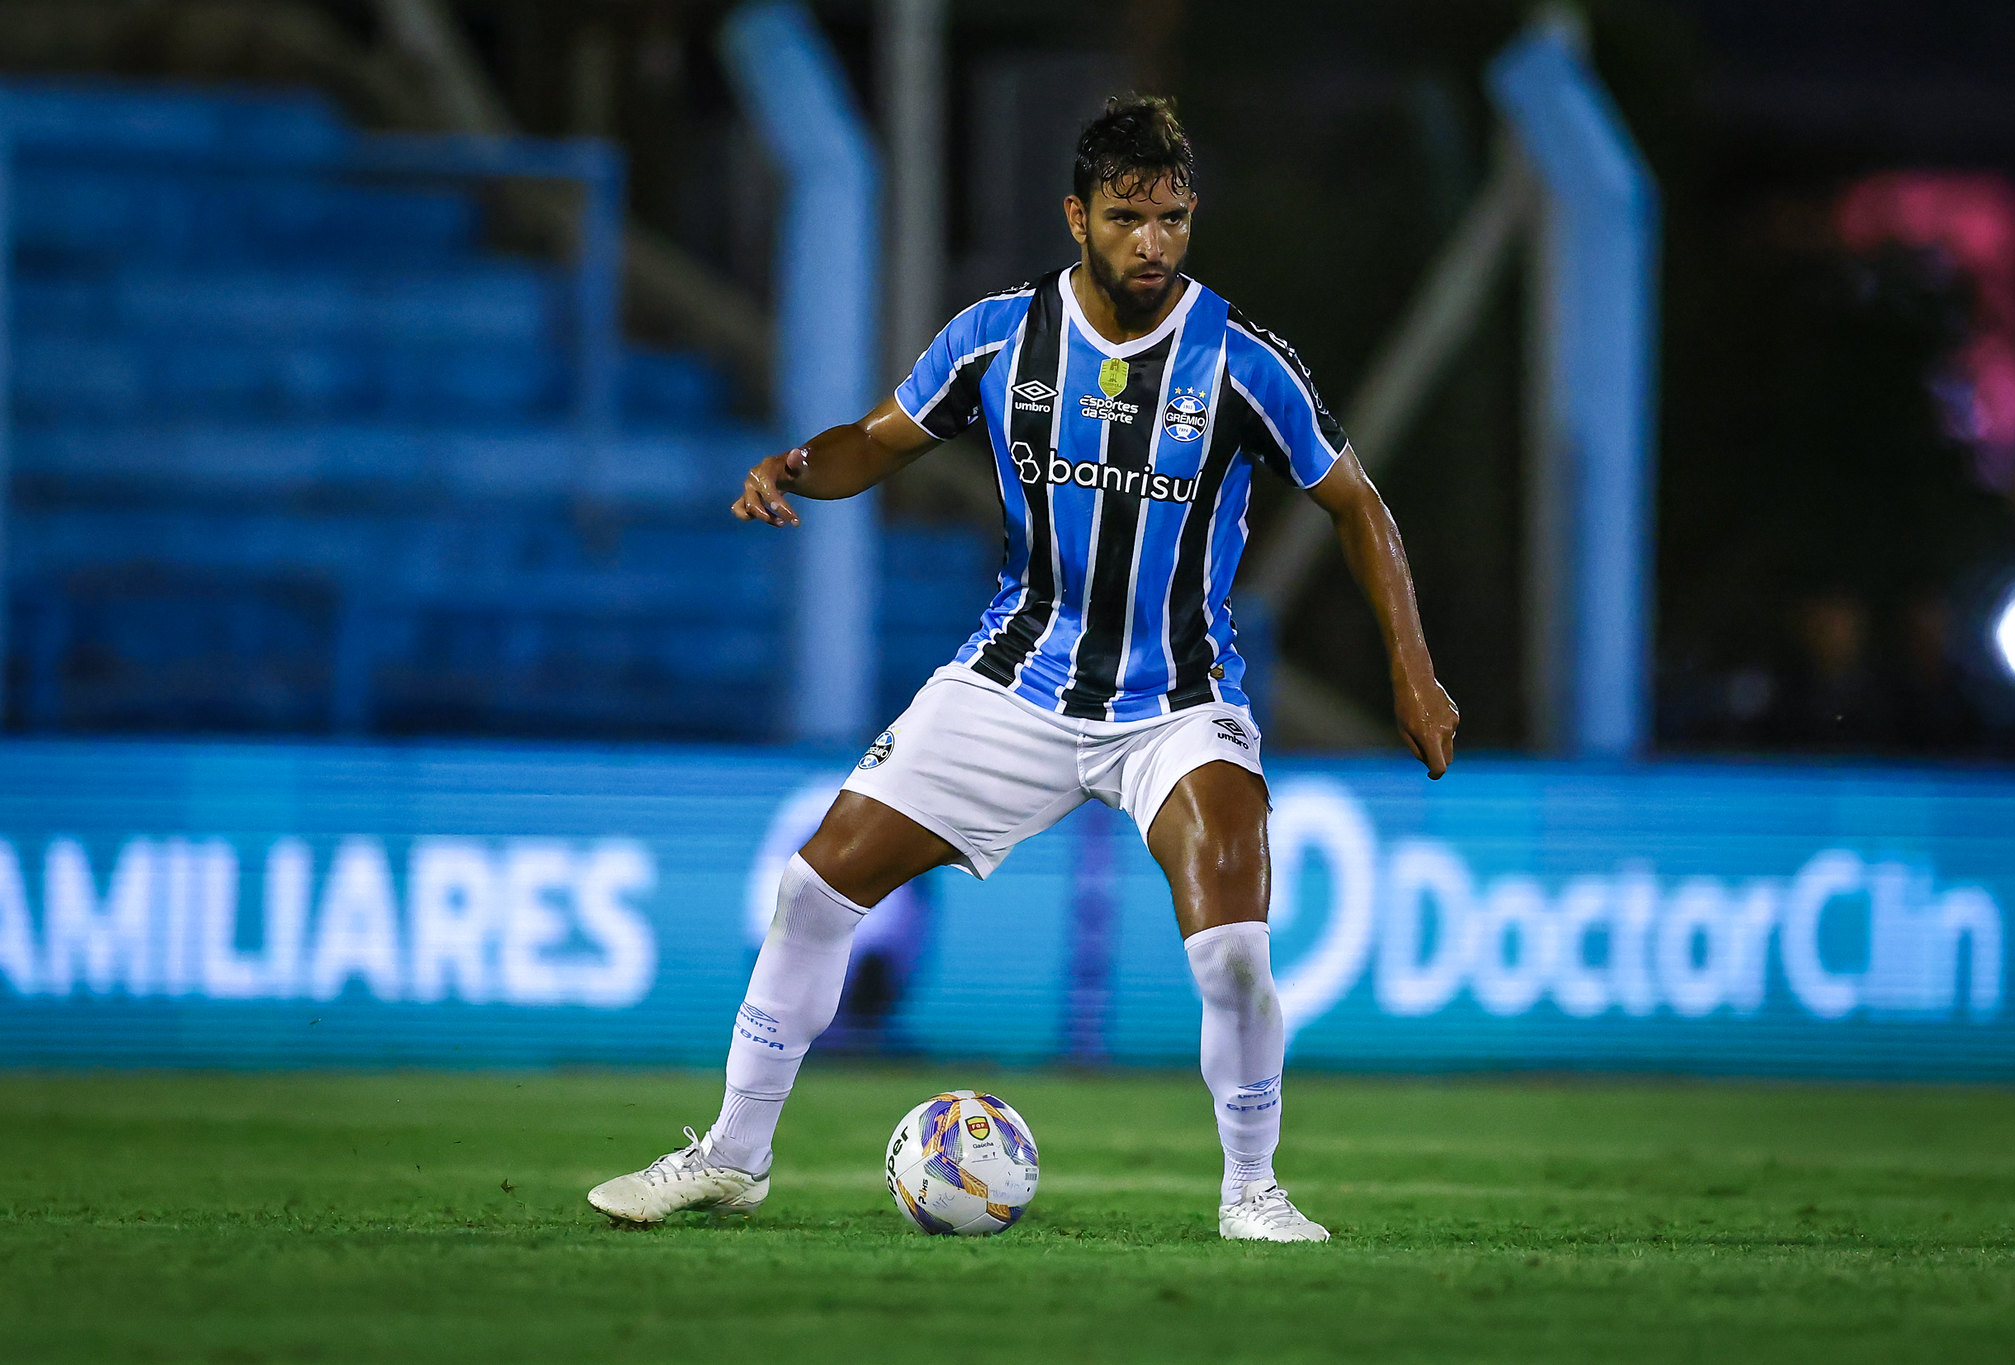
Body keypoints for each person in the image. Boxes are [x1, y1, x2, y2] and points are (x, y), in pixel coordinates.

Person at [588, 96, 1458, 1243]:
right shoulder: (999, 338)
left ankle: (1252, 1189)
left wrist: (1414, 670)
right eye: (1126, 218)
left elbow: (1356, 503)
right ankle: (731, 1158)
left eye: (1173, 219)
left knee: (1234, 959)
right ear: (1075, 217)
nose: (1152, 244)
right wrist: (798, 465)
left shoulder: (1240, 359)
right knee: (812, 890)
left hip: (1179, 703)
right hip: (1015, 680)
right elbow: (880, 440)